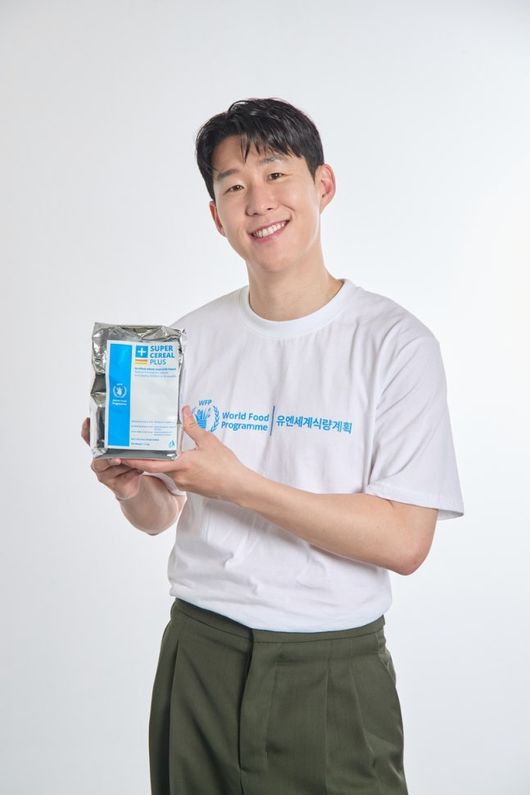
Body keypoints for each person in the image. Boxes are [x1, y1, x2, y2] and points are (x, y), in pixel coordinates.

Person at [82, 97, 464, 795]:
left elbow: (406, 541)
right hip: (200, 654)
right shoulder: (188, 338)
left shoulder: (395, 344)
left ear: (323, 184)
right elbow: (162, 515)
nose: (258, 202)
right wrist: (134, 489)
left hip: (332, 669)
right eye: (234, 186)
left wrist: (239, 484)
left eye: (276, 174)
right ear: (217, 216)